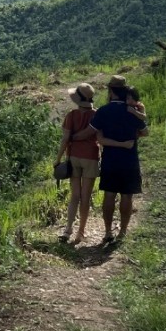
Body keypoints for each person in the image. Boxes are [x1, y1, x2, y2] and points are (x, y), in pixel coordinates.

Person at [90, 76, 147, 244]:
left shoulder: (103, 111)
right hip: (129, 158)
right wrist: (132, 137)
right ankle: (122, 232)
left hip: (110, 158)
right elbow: (144, 131)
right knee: (127, 196)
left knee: (109, 195)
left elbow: (96, 134)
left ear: (111, 91)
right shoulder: (132, 110)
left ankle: (108, 231)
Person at [56, 82, 99, 244]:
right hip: (91, 157)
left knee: (75, 195)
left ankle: (68, 229)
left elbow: (65, 139)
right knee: (86, 197)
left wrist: (58, 159)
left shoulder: (71, 115)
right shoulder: (96, 115)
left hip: (74, 157)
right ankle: (81, 231)